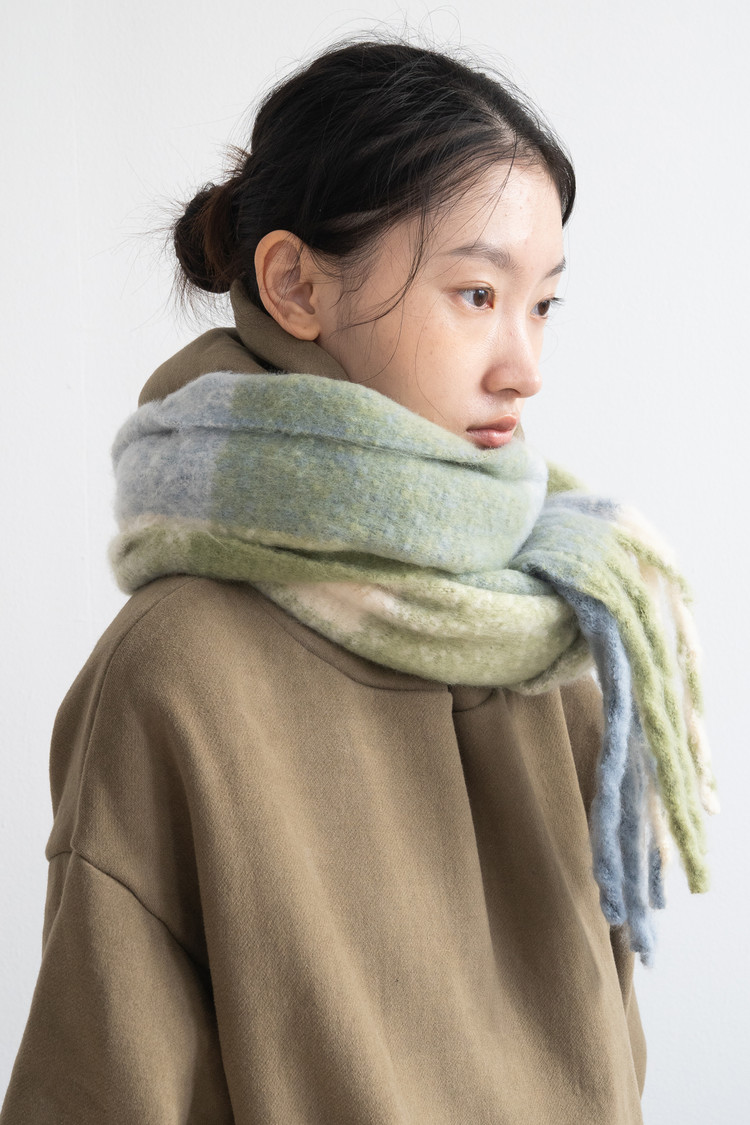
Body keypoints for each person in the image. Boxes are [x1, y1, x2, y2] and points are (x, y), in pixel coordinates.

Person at [0, 34, 718, 1125]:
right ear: (295, 284)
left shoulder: (555, 625)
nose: (525, 365)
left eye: (542, 304)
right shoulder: (178, 670)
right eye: (476, 293)